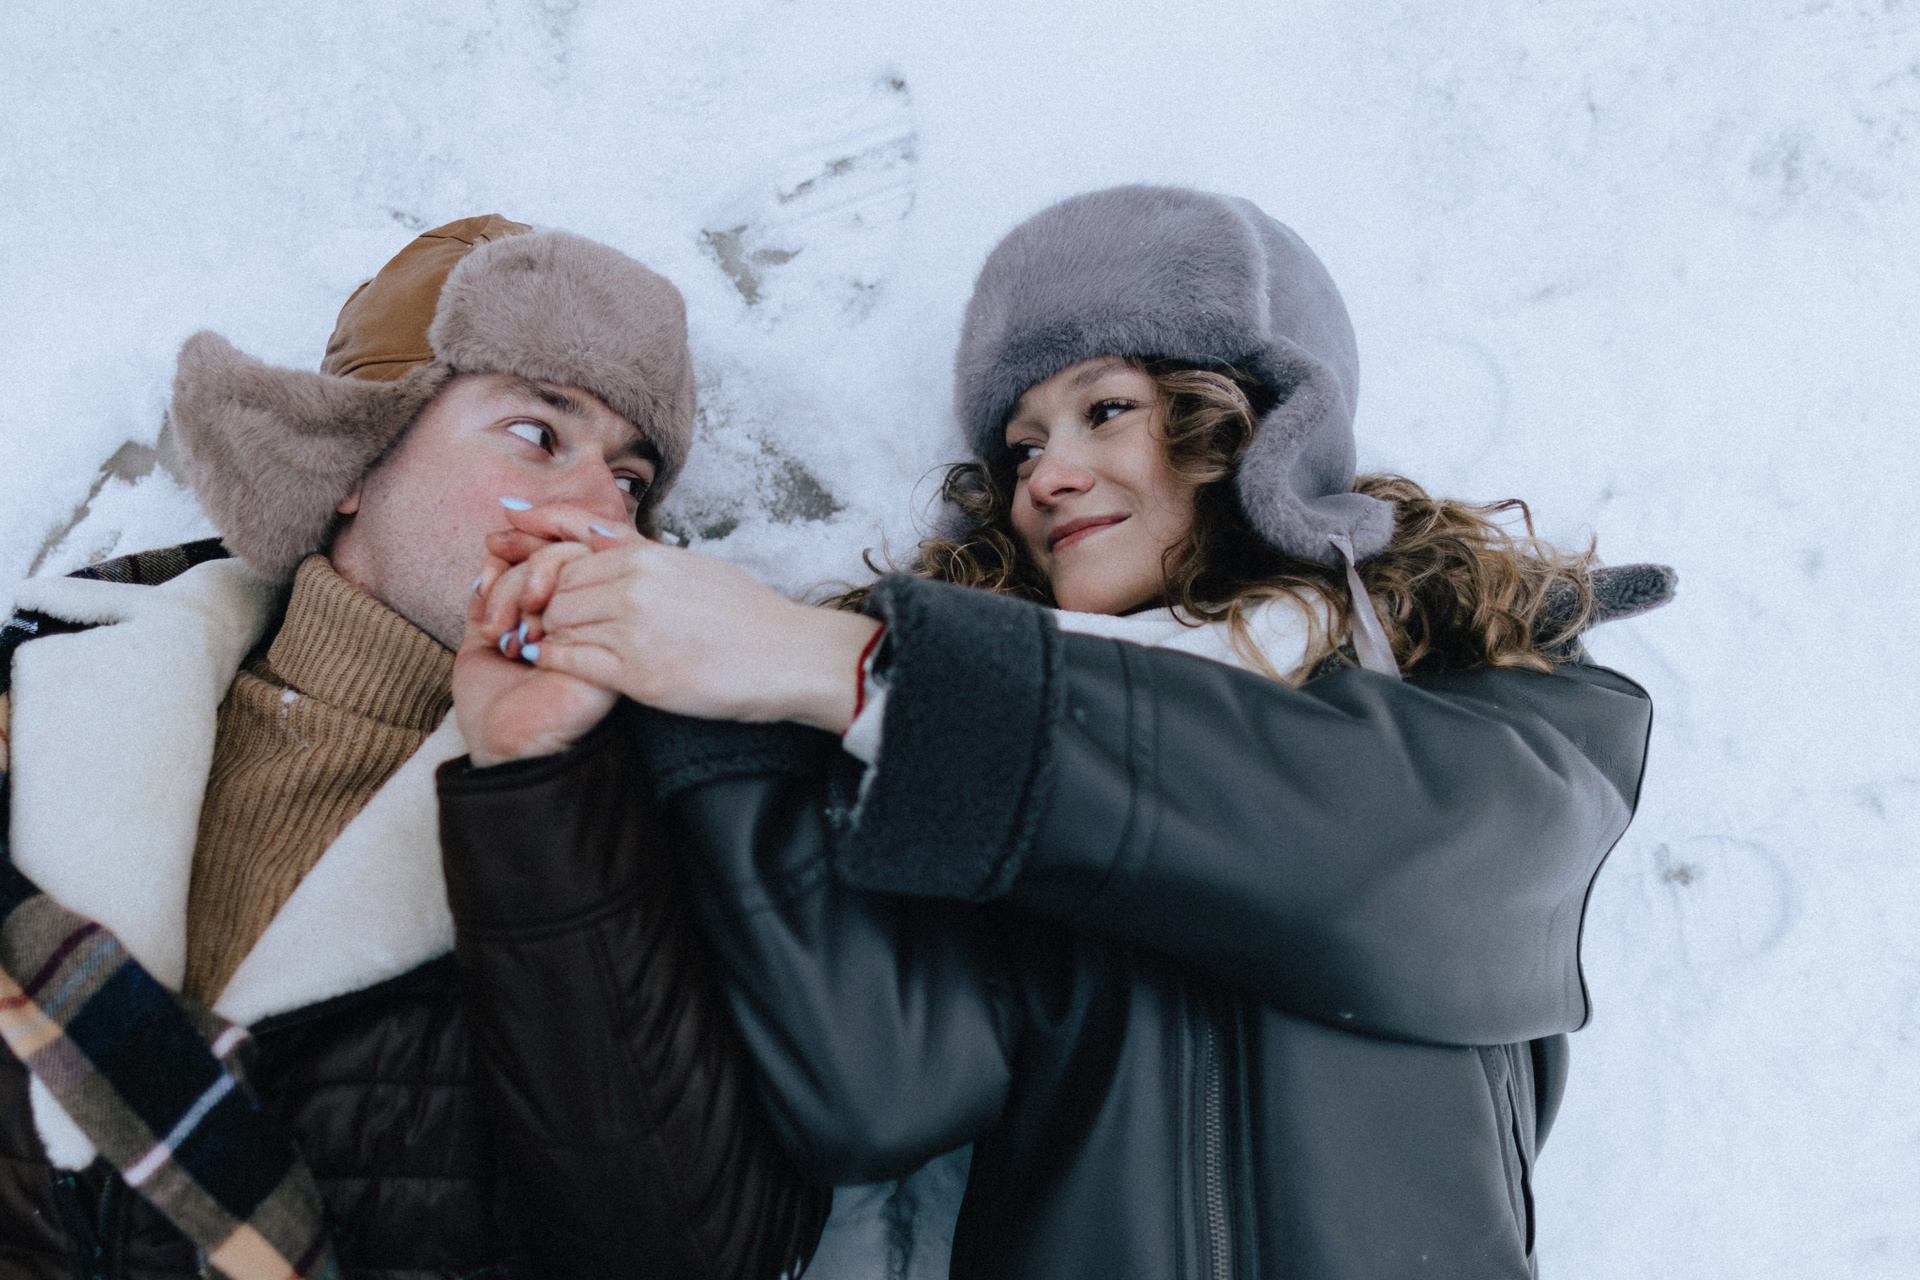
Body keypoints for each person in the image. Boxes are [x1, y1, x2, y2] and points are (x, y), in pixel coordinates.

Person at [0, 217, 829, 1278]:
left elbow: (709, 1251)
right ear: (352, 460)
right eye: (539, 434)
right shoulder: (43, 685)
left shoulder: (644, 820)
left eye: (631, 480)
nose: (602, 513)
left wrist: (536, 782)